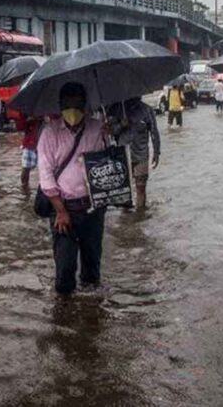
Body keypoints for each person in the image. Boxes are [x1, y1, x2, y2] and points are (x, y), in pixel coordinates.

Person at [37, 82, 106, 294]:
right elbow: (45, 176)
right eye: (68, 104)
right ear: (60, 106)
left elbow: (108, 166)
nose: (72, 110)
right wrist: (60, 211)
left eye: (77, 103)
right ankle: (64, 317)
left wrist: (112, 137)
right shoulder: (49, 134)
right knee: (65, 273)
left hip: (93, 209)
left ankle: (91, 317)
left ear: (85, 105)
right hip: (64, 210)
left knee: (92, 270)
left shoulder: (98, 129)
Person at [108, 98, 160, 210]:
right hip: (123, 155)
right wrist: (121, 125)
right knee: (124, 189)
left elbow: (154, 132)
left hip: (141, 155)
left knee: (141, 187)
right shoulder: (117, 109)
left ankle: (140, 215)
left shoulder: (147, 110)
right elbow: (110, 132)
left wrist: (156, 152)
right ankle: (126, 214)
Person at [17, 113, 42, 191]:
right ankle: (24, 189)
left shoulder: (48, 109)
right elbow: (19, 127)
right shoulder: (26, 111)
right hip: (30, 143)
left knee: (46, 169)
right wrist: (28, 119)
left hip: (45, 143)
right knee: (25, 168)